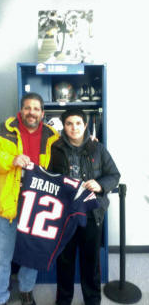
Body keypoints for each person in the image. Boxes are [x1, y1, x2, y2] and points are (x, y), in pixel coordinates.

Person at [0, 92, 60, 305]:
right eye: (27, 108)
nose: (31, 112)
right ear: (21, 110)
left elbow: (70, 153)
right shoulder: (1, 130)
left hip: (38, 206)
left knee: (32, 256)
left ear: (42, 113)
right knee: (1, 257)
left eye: (36, 109)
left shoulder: (53, 135)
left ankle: (26, 290)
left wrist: (90, 140)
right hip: (7, 204)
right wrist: (11, 159)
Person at [48, 109, 120, 305]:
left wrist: (100, 185)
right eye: (69, 123)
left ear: (85, 125)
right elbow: (50, 177)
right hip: (66, 215)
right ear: (64, 126)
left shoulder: (99, 149)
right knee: (65, 260)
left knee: (90, 260)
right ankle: (63, 299)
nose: (74, 127)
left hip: (91, 213)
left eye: (78, 123)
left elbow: (114, 175)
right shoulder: (55, 148)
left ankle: (92, 299)